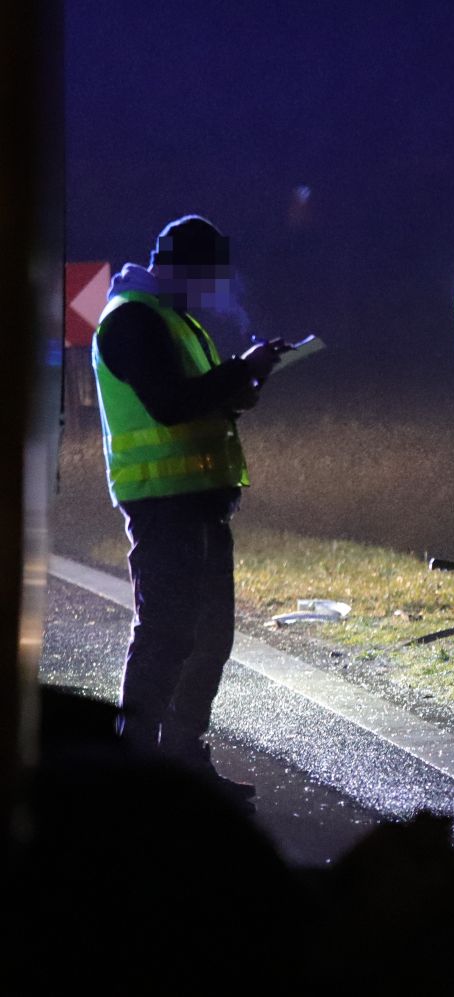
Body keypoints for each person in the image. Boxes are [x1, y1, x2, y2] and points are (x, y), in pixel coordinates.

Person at [91, 215, 281, 794]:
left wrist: (245, 383)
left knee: (209, 635)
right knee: (169, 634)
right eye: (205, 278)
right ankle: (136, 773)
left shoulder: (173, 320)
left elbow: (200, 402)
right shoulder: (131, 320)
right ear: (180, 268)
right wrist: (238, 372)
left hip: (198, 500)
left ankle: (181, 764)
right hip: (163, 502)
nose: (209, 292)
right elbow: (171, 405)